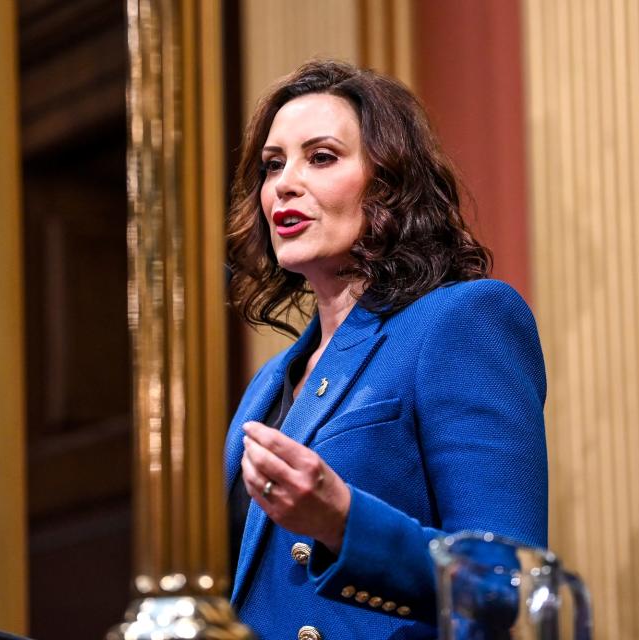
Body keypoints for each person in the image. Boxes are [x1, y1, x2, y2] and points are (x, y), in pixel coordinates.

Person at [223, 59, 547, 639]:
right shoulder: (266, 385)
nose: (284, 185)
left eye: (321, 157)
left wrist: (345, 523)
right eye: (273, 166)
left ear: (388, 184)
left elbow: (508, 584)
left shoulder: (461, 320)